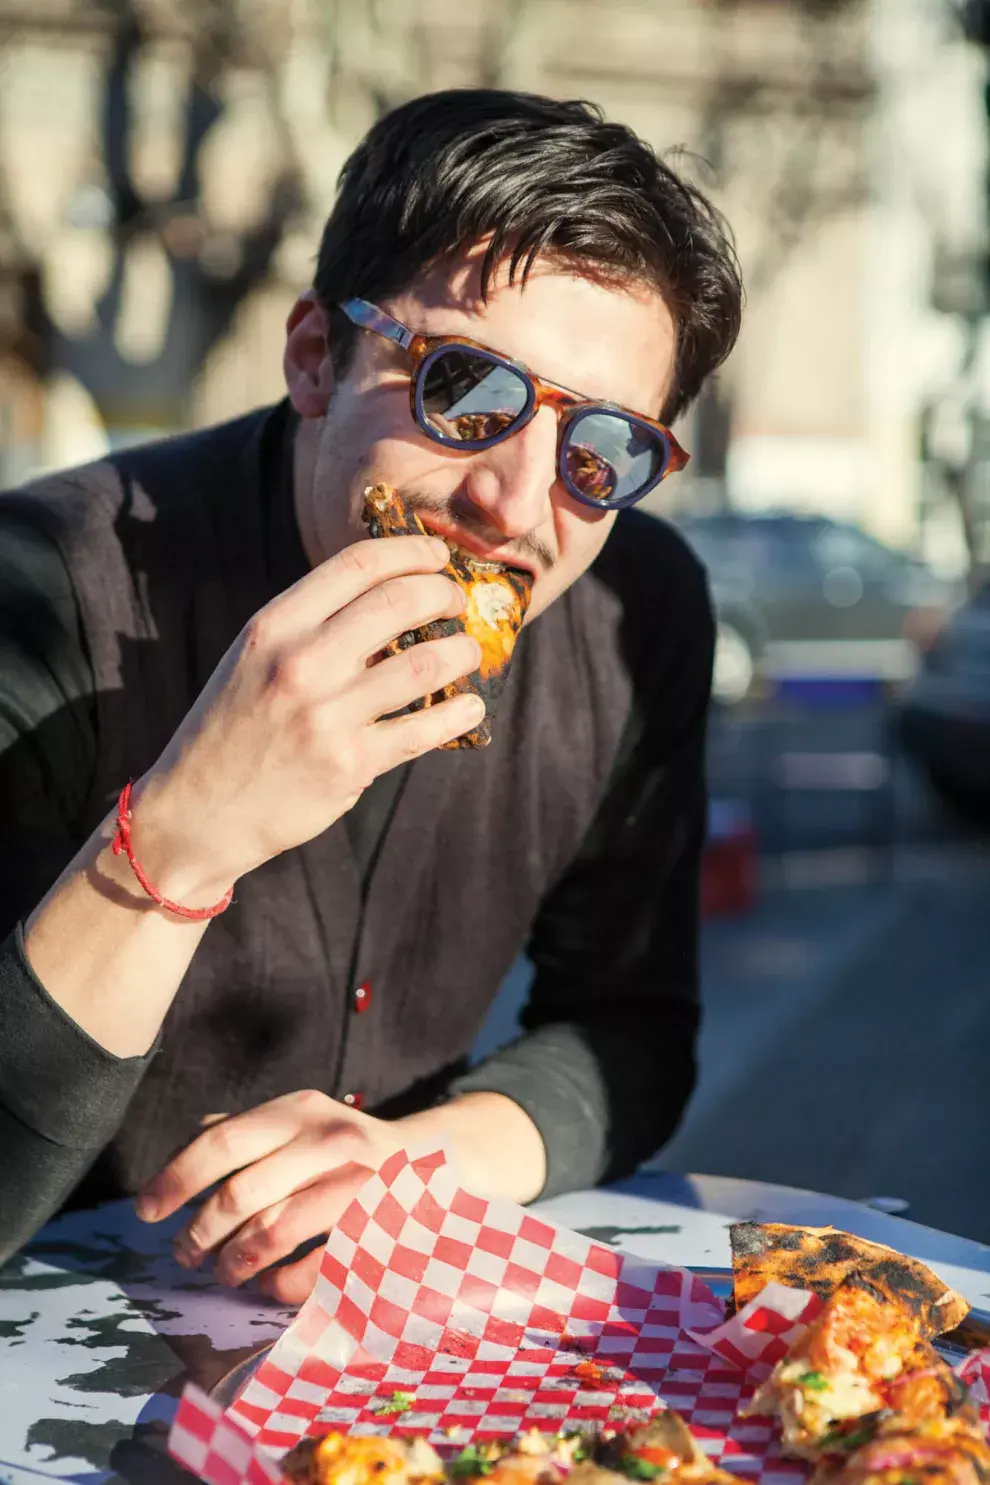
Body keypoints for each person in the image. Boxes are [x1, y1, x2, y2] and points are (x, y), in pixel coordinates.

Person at [0, 89, 742, 1298]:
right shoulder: (38, 591)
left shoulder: (633, 612)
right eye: (469, 388)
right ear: (314, 357)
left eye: (606, 449)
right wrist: (178, 841)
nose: (515, 503)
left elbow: (630, 1027)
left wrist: (417, 1164)